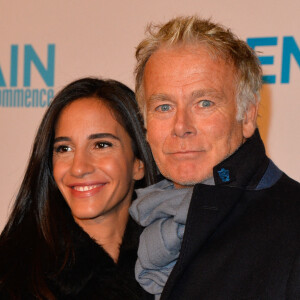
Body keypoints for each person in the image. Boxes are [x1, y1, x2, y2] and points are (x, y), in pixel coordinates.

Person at [129, 16, 300, 299]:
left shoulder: (293, 227)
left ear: (246, 116)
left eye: (204, 103)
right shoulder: (138, 222)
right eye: (163, 106)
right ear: (146, 124)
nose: (181, 126)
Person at [0, 77, 156, 299]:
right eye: (64, 148)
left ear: (138, 163)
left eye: (101, 145)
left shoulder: (178, 266)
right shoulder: (10, 275)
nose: (79, 168)